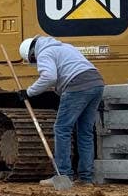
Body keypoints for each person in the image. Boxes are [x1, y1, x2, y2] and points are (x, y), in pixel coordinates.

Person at [18, 36, 105, 185]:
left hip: (78, 85)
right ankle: (86, 178)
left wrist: (29, 92)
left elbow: (49, 77)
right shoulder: (65, 47)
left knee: (62, 129)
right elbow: (65, 73)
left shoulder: (44, 53)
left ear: (32, 54)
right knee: (85, 131)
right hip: (96, 83)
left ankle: (63, 175)